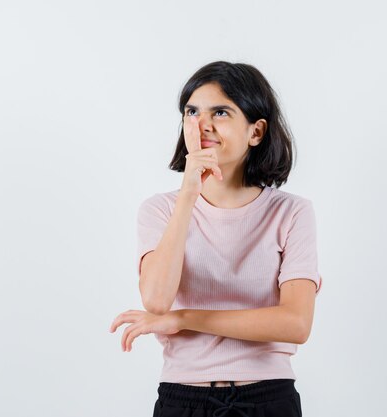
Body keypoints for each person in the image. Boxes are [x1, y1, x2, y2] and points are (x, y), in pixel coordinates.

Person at [110, 60, 323, 417]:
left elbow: (296, 324)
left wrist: (183, 320)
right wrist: (188, 194)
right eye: (192, 111)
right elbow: (157, 300)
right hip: (184, 398)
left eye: (220, 112)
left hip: (268, 398)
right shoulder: (160, 210)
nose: (202, 124)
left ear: (256, 132)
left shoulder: (292, 213)